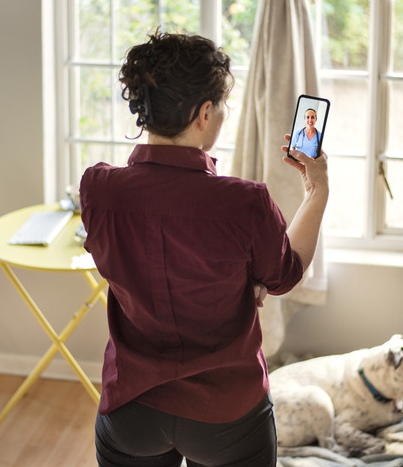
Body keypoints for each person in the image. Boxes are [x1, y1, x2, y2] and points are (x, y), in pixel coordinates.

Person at [79, 31, 329, 467]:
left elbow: (122, 263)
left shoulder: (98, 190)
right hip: (227, 415)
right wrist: (317, 192)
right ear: (204, 113)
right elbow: (285, 275)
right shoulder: (244, 202)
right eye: (222, 107)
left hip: (131, 408)